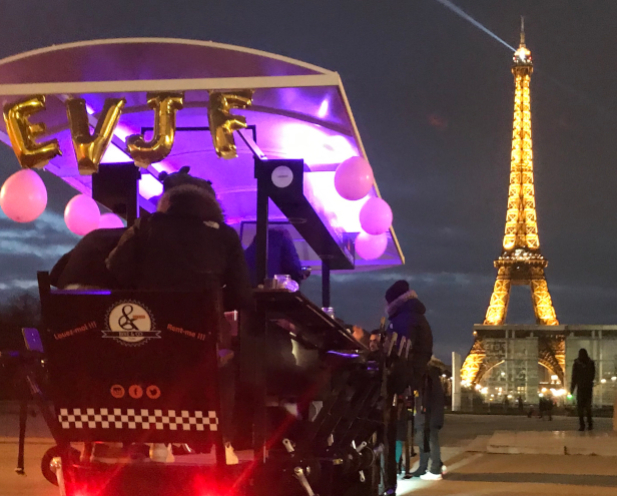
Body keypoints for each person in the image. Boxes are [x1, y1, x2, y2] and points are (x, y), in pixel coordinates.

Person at [383, 280, 434, 494]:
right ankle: (389, 481)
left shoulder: (404, 319)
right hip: (409, 380)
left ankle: (388, 483)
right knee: (396, 431)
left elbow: (398, 352)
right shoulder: (415, 317)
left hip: (400, 381)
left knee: (389, 431)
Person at [410, 358, 446, 480]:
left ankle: (435, 469)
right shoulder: (432, 377)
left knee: (428, 440)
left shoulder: (429, 378)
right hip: (428, 415)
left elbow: (427, 399)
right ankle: (425, 467)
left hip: (428, 416)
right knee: (424, 440)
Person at [571, 348, 595, 431]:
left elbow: (574, 377)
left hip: (581, 388)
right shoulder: (591, 363)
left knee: (580, 408)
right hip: (588, 388)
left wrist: (572, 389)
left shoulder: (576, 364)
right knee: (588, 407)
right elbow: (592, 375)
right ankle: (590, 424)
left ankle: (582, 425)